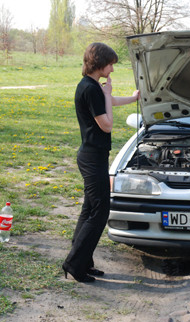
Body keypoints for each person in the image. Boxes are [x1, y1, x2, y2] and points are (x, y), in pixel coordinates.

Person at [62, 42, 140, 283]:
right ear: (100, 63)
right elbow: (107, 124)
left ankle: (82, 262)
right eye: (110, 65)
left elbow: (109, 102)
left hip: (92, 155)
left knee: (89, 210)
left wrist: (132, 98)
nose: (112, 70)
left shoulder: (90, 86)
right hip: (92, 157)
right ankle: (74, 265)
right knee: (99, 211)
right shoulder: (92, 88)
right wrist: (106, 95)